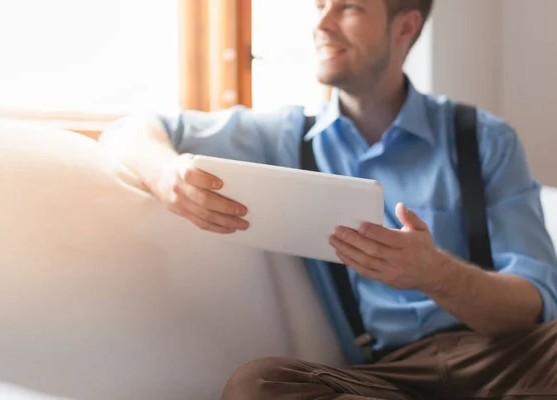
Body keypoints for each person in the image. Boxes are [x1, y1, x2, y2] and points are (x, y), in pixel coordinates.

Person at [99, 0, 557, 398]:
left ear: (404, 27)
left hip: (501, 357)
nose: (322, 23)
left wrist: (435, 274)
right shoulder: (283, 138)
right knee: (258, 385)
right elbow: (127, 131)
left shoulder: (484, 140)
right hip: (383, 377)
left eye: (349, 7)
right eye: (319, 6)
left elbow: (533, 303)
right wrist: (166, 176)